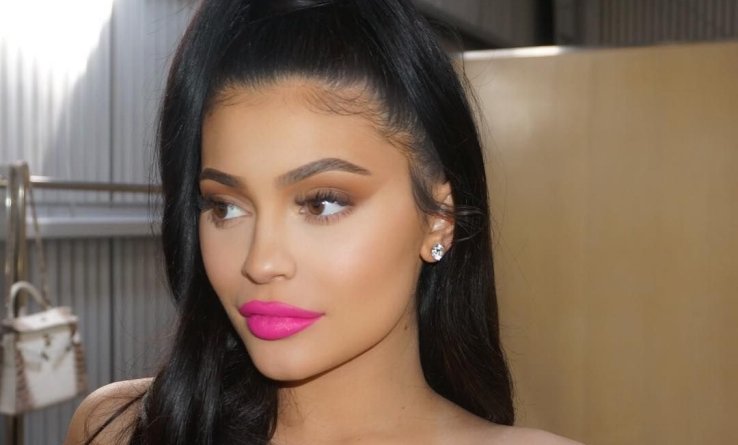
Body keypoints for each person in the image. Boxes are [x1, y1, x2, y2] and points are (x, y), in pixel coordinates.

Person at [65, 0, 580, 443]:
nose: (261, 262)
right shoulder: (119, 429)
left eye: (323, 203)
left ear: (438, 219)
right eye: (225, 206)